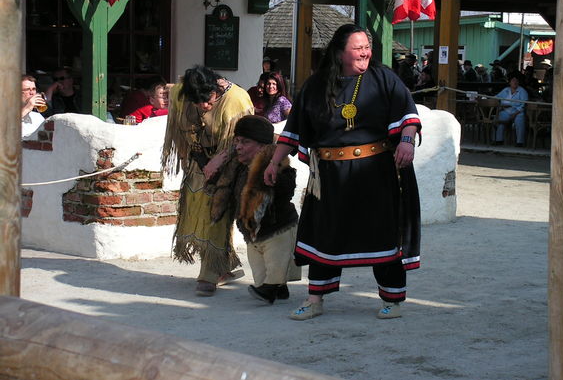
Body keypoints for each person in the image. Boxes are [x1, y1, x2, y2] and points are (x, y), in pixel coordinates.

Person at [263, 24, 422, 320]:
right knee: (325, 234)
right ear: (339, 52)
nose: (365, 52)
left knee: (381, 233)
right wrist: (274, 163)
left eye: (367, 47)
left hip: (374, 172)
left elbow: (407, 115)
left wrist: (406, 141)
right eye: (357, 47)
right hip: (330, 177)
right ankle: (315, 299)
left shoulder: (383, 77)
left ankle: (393, 298)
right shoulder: (316, 85)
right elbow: (293, 130)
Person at [162, 65, 254, 296]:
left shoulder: (237, 100)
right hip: (197, 162)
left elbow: (242, 140)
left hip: (230, 162)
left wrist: (218, 162)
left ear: (217, 87)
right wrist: (200, 160)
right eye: (197, 101)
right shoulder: (182, 94)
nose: (204, 105)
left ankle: (210, 273)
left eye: (208, 99)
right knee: (198, 212)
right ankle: (224, 266)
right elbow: (183, 126)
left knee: (216, 213)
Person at [211, 115, 298, 304]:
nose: (238, 146)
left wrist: (276, 180)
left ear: (262, 146)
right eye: (237, 141)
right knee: (259, 271)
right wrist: (213, 169)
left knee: (276, 263)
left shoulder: (276, 166)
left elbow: (288, 188)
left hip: (278, 227)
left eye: (245, 142)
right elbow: (224, 189)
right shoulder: (237, 167)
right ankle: (278, 288)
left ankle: (271, 289)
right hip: (252, 230)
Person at [494, 71, 529, 147]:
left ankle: (520, 142)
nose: (515, 82)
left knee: (520, 119)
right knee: (499, 117)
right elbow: (496, 98)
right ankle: (498, 140)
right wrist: (501, 105)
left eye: (516, 81)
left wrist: (515, 114)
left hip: (518, 111)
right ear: (510, 82)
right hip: (506, 110)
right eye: (513, 80)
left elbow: (523, 105)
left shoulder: (522, 91)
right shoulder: (506, 90)